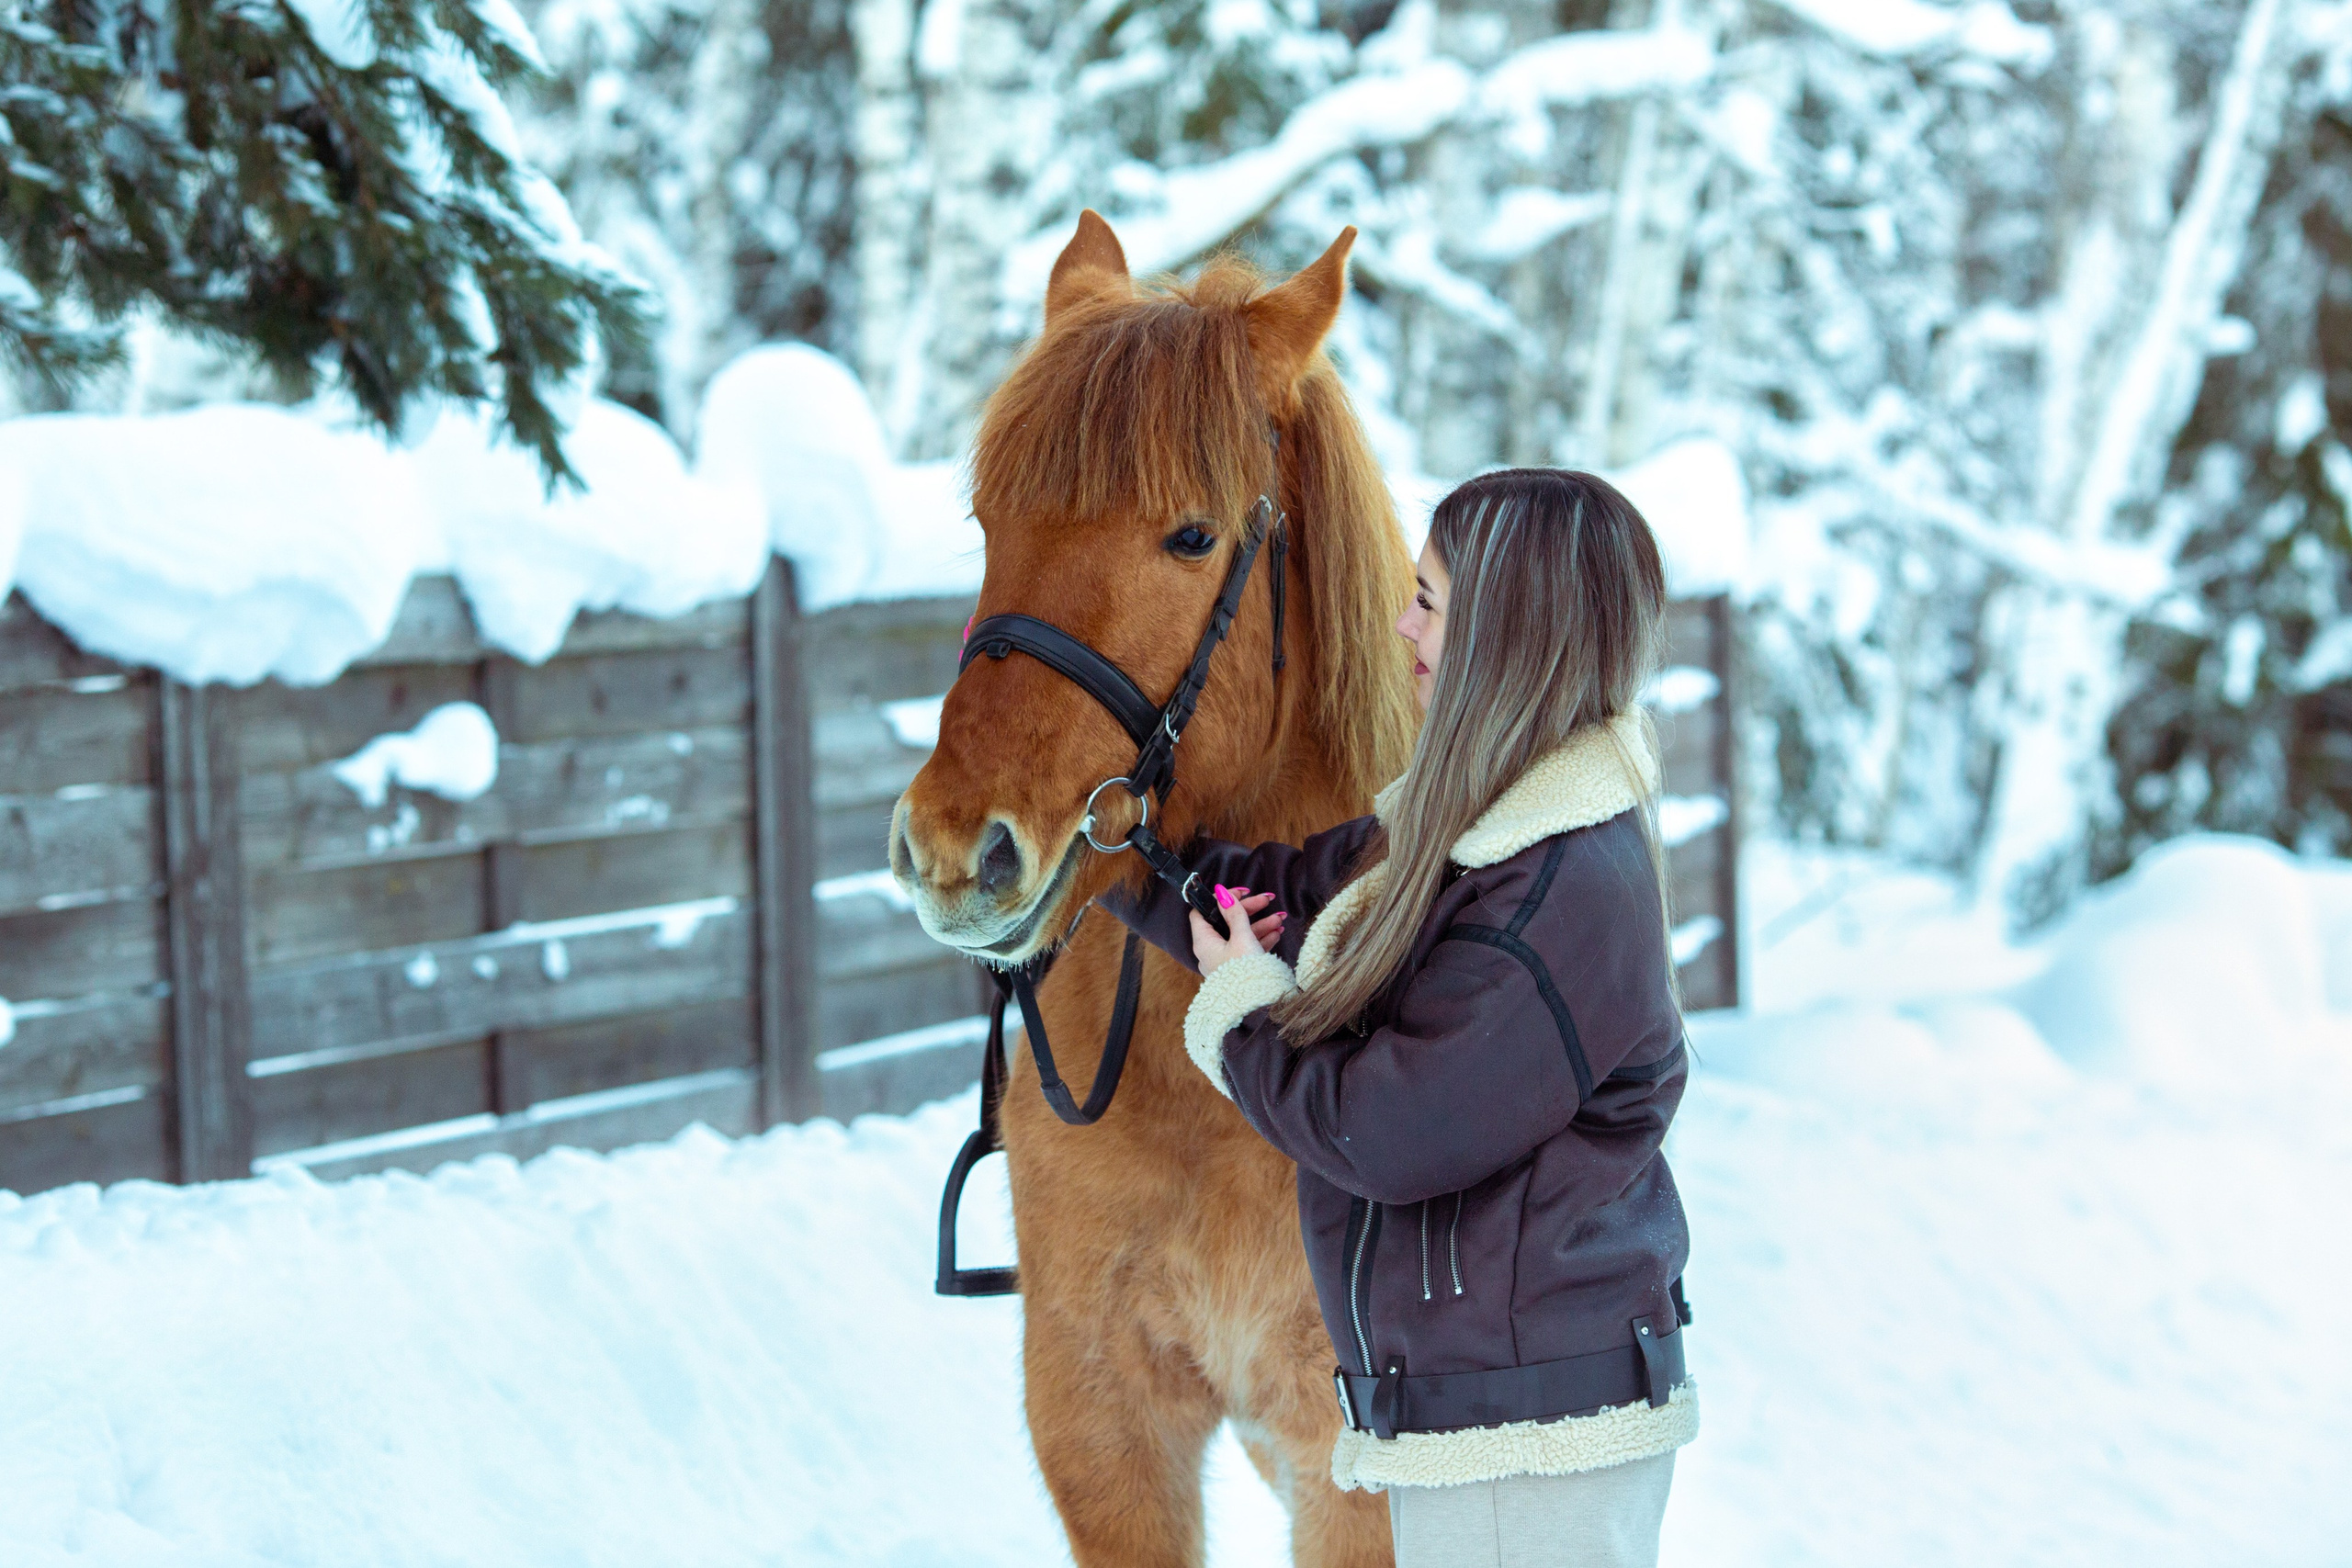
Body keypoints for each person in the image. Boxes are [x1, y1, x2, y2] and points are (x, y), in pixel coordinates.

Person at [1097, 468, 1697, 1567]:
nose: (1401, 625)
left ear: (1506, 639)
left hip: (1530, 1438)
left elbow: (1386, 1131)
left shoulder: (1560, 891)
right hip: (1491, 1409)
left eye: (1429, 601)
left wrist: (1242, 1016)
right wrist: (1111, 855)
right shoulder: (1465, 831)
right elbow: (1284, 890)